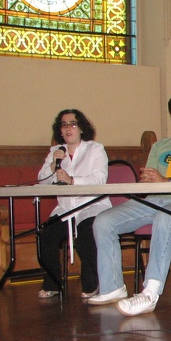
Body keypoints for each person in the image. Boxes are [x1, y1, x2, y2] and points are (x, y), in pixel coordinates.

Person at [88, 90, 171, 317]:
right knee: (103, 220)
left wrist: (166, 179)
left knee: (165, 216)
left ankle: (150, 292)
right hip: (154, 199)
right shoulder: (160, 145)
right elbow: (149, 180)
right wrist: (148, 181)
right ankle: (112, 287)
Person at [36, 109, 111, 300]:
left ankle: (91, 284)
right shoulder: (55, 152)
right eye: (64, 124)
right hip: (66, 208)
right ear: (59, 130)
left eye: (73, 124)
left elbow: (99, 179)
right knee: (47, 235)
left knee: (86, 234)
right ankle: (53, 283)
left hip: (91, 205)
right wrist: (53, 165)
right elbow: (42, 182)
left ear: (82, 128)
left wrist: (72, 180)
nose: (68, 128)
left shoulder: (95, 149)